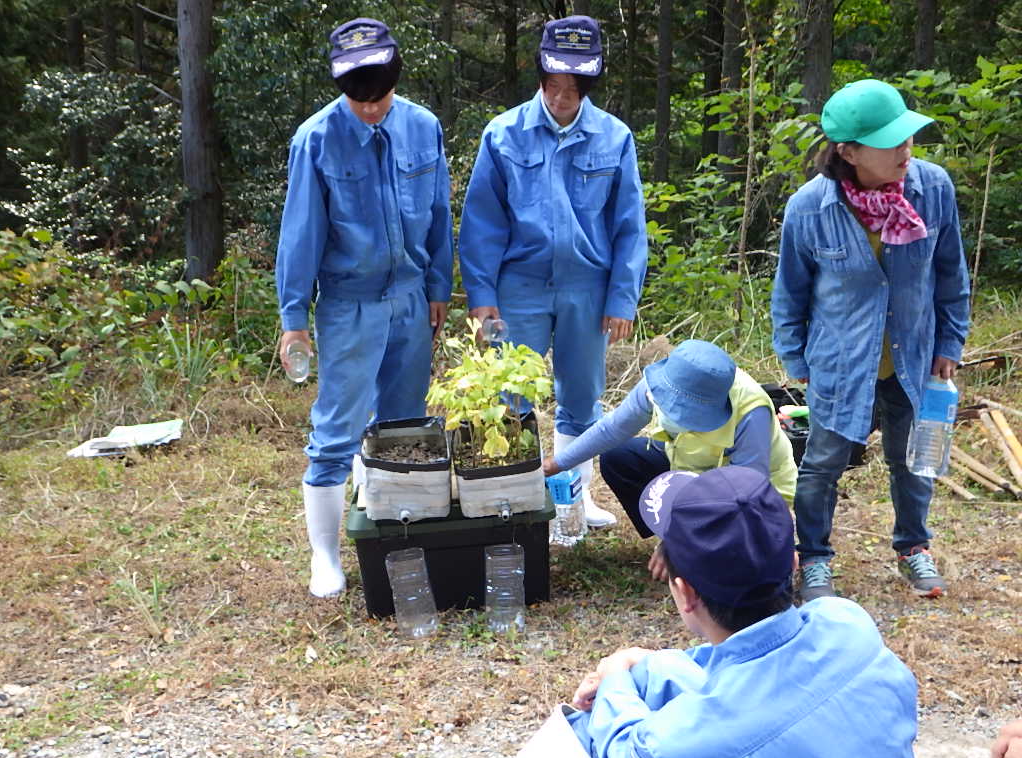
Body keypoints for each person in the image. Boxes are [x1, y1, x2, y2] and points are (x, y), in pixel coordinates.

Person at [563, 465, 918, 758]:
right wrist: (638, 662)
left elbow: (628, 751)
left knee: (586, 732)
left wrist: (613, 677)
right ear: (794, 565)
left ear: (685, 593)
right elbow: (748, 666)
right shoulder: (846, 622)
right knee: (650, 674)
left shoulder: (667, 750)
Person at [771, 79, 970, 602]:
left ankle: (913, 547)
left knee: (914, 458)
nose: (907, 150)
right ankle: (814, 558)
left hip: (917, 357)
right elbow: (789, 292)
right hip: (840, 362)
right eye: (892, 142)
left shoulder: (933, 189)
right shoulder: (810, 208)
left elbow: (951, 275)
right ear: (850, 151)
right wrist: (795, 356)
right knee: (822, 464)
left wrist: (951, 341)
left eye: (909, 138)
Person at [275, 18, 453, 598]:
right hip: (349, 303)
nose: (370, 109)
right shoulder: (317, 139)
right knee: (337, 432)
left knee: (404, 427)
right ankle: (324, 557)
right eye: (358, 98)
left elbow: (438, 216)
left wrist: (438, 289)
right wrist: (294, 320)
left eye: (379, 98)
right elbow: (299, 236)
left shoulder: (424, 128)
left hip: (410, 298)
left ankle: (397, 534)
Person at [458, 15, 648, 529]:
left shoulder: (615, 137)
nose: (563, 98)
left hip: (588, 287)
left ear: (589, 84)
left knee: (582, 396)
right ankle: (513, 498)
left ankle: (576, 499)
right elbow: (481, 222)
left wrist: (621, 299)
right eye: (554, 85)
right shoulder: (503, 134)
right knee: (508, 393)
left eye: (574, 87)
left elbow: (630, 225)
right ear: (541, 76)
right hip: (517, 287)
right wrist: (481, 294)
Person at [543, 339, 797, 580]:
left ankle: (698, 547)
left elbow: (746, 491)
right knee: (620, 458)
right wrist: (556, 465)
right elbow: (612, 429)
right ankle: (691, 544)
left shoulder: (751, 411)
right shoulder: (662, 383)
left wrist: (678, 538)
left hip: (754, 489)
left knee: (740, 566)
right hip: (689, 468)